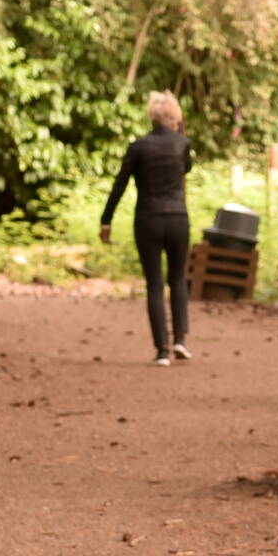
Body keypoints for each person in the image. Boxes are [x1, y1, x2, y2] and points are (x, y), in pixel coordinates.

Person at [99, 92, 194, 365]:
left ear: (151, 115)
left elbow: (120, 185)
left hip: (148, 219)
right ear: (175, 116)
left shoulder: (138, 147)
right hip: (178, 218)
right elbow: (186, 168)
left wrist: (106, 220)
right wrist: (181, 130)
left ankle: (162, 350)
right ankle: (181, 340)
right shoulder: (182, 144)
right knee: (177, 279)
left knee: (154, 283)